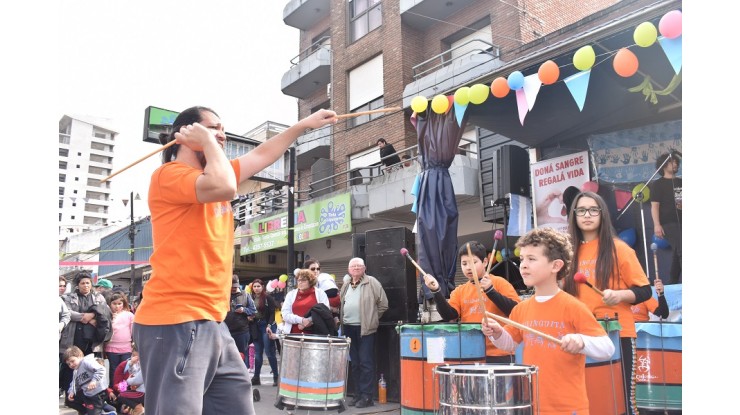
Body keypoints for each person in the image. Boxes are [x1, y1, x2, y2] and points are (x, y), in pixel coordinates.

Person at [132, 105, 337, 415]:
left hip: (212, 320)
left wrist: (302, 126)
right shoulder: (169, 175)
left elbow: (261, 156)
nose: (222, 134)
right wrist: (207, 141)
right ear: (186, 134)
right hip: (175, 318)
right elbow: (225, 186)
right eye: (213, 128)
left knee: (237, 407)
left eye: (222, 129)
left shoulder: (214, 172)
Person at [481, 227, 615, 414]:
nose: (523, 265)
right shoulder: (521, 309)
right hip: (534, 404)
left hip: (568, 407)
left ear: (556, 266)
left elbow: (607, 348)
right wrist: (497, 333)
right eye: (522, 259)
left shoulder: (572, 306)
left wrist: (581, 341)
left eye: (532, 259)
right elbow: (510, 343)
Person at [563, 191, 653, 415]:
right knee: (591, 401)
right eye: (581, 210)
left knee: (623, 401)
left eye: (594, 210)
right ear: (573, 215)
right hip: (582, 335)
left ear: (603, 215)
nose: (587, 215)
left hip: (617, 334)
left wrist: (620, 295)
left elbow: (644, 290)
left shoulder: (619, 248)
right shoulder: (568, 254)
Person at [422, 240, 520, 363]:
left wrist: (491, 291)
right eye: (464, 263)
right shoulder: (460, 291)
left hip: (499, 353)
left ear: (485, 262)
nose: (468, 267)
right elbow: (449, 316)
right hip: (471, 353)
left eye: (473, 262)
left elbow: (516, 311)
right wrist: (436, 291)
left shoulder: (499, 282)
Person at [338, 257, 389, 409]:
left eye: (359, 266)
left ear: (364, 268)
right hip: (348, 328)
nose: (356, 268)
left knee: (366, 363)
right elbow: (343, 304)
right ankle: (357, 394)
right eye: (353, 266)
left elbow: (383, 304)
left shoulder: (372, 282)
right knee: (354, 363)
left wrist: (371, 319)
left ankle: (367, 397)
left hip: (365, 329)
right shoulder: (346, 284)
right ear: (348, 269)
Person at [60, 271, 112, 399]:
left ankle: (94, 397)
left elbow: (105, 312)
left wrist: (93, 315)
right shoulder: (68, 297)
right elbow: (67, 312)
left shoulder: (99, 298)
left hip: (93, 340)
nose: (86, 286)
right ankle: (71, 395)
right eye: (82, 283)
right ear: (78, 285)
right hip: (74, 338)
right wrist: (84, 317)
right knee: (71, 367)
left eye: (88, 283)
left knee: (93, 366)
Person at [649, 152, 682, 284]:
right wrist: (657, 225)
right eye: (671, 162)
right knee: (683, 249)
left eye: (676, 162)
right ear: (663, 165)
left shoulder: (681, 182)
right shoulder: (657, 184)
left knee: (677, 252)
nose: (675, 164)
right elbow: (655, 206)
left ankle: (672, 282)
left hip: (683, 220)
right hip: (668, 223)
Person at [248, 279, 280, 386]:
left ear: (262, 287)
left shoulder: (267, 298)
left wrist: (269, 325)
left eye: (258, 286)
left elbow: (272, 313)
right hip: (255, 326)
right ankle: (256, 377)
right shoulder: (250, 298)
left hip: (266, 326)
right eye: (255, 286)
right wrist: (249, 317)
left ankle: (276, 376)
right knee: (257, 353)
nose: (256, 288)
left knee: (269, 352)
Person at [64, 345, 111, 415]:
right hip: (87, 393)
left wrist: (94, 380)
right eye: (69, 364)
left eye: (72, 361)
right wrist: (72, 391)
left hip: (97, 393)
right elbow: (74, 383)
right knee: (69, 401)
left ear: (80, 356)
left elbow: (101, 369)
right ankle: (88, 411)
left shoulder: (86, 362)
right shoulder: (75, 371)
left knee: (94, 413)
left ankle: (104, 411)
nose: (71, 365)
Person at [281, 269, 330, 334]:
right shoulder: (291, 294)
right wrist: (301, 320)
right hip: (293, 335)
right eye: (298, 280)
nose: (300, 282)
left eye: (303, 280)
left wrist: (310, 320)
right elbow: (285, 314)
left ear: (310, 281)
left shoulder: (320, 293)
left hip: (316, 335)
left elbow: (325, 312)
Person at [224, 275, 257, 369]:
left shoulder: (245, 295)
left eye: (236, 286)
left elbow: (254, 311)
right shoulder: (223, 294)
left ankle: (242, 376)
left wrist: (244, 310)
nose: (234, 288)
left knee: (241, 356)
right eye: (232, 286)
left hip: (241, 331)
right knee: (225, 356)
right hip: (225, 331)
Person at [104, 292, 135, 388]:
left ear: (124, 303)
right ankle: (113, 392)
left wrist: (134, 344)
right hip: (111, 347)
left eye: (119, 303)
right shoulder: (107, 315)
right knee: (114, 370)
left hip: (126, 347)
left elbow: (133, 330)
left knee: (125, 370)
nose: (117, 306)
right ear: (110, 304)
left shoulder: (129, 315)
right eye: (114, 304)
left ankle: (124, 391)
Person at [305, 259, 341, 323]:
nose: (316, 271)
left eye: (318, 268)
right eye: (313, 269)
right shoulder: (305, 282)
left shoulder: (321, 278)